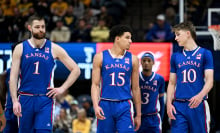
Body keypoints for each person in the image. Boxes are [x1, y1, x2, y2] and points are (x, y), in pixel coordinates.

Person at [9, 14, 81, 133]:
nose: (41, 29)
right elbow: (13, 77)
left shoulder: (54, 48)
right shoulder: (20, 48)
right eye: (37, 27)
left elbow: (76, 70)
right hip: (25, 99)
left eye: (43, 26)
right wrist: (14, 101)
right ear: (29, 28)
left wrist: (61, 89)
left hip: (45, 99)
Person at [91, 25, 141, 132]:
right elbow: (95, 85)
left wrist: (139, 115)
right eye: (127, 37)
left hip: (124, 105)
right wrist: (95, 106)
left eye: (130, 38)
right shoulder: (100, 57)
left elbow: (136, 88)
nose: (130, 41)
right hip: (105, 104)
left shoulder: (133, 59)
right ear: (117, 38)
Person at [166, 21, 214, 133]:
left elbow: (210, 81)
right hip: (178, 105)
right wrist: (169, 103)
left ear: (188, 33)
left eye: (178, 34)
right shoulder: (175, 56)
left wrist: (200, 96)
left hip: (197, 105)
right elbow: (172, 83)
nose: (175, 38)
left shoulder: (205, 53)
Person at [137, 52, 165, 133]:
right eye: (144, 60)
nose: (146, 63)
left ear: (153, 62)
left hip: (153, 117)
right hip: (139, 116)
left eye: (149, 61)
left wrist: (161, 118)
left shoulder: (159, 79)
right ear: (141, 62)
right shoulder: (135, 78)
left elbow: (161, 100)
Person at [0, 43, 19, 133]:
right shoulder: (6, 74)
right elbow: (2, 95)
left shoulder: (31, 72)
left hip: (25, 112)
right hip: (10, 112)